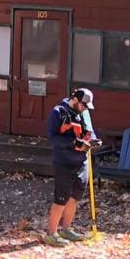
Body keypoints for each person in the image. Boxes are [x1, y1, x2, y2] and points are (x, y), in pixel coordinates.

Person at [44, 87, 96, 247]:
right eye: (83, 105)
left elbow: (90, 132)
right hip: (64, 161)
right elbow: (52, 138)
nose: (85, 109)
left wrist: (93, 141)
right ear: (75, 100)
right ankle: (51, 234)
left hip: (81, 162)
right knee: (62, 197)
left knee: (75, 196)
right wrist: (73, 143)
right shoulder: (58, 112)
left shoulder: (84, 113)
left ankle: (66, 229)